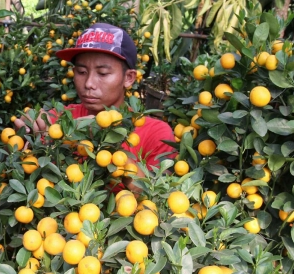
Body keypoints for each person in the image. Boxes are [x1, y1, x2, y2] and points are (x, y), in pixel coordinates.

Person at [14, 22, 176, 176]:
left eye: (103, 73)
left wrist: (111, 152)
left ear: (129, 78)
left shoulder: (156, 134)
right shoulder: (60, 118)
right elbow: (20, 162)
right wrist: (23, 134)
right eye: (82, 72)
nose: (89, 83)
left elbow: (155, 193)